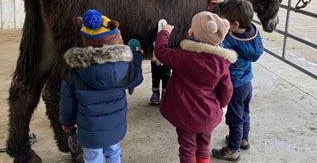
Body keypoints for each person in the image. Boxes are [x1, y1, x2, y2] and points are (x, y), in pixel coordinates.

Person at [59, 9, 143, 163]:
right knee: (113, 152)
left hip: (89, 130)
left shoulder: (75, 71)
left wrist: (67, 122)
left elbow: (67, 100)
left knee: (92, 158)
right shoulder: (123, 67)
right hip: (115, 128)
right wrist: (136, 55)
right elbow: (137, 78)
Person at [155, 11, 237, 163]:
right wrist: (222, 105)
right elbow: (227, 90)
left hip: (184, 114)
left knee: (187, 148)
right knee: (203, 145)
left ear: (193, 33)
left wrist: (164, 32)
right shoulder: (222, 64)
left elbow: (160, 52)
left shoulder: (181, 56)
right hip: (208, 114)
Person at [211, 0, 264, 161]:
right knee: (244, 113)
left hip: (234, 87)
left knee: (234, 118)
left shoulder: (229, 39)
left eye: (224, 20)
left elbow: (216, 48)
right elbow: (242, 14)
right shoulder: (253, 33)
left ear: (233, 25)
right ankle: (243, 139)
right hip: (247, 83)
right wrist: (224, 3)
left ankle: (232, 150)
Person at [149, 19, 171, 105]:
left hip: (165, 63)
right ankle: (155, 93)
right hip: (155, 62)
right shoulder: (154, 41)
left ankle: (164, 95)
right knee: (155, 77)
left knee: (166, 78)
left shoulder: (168, 42)